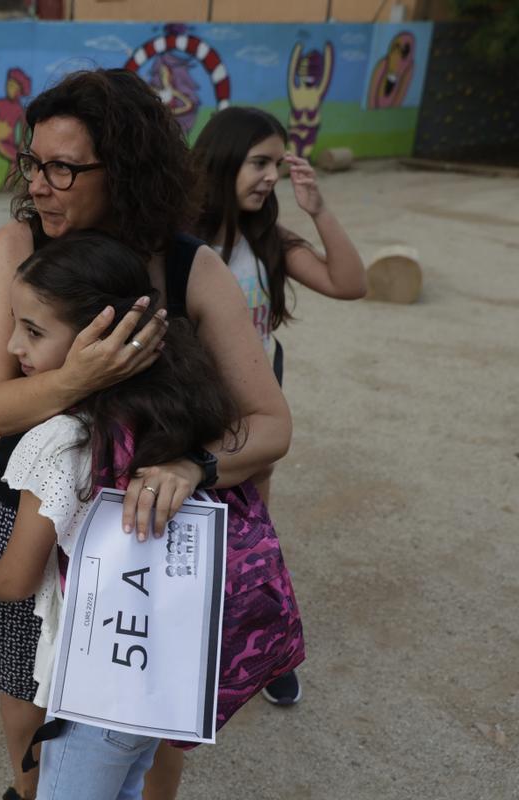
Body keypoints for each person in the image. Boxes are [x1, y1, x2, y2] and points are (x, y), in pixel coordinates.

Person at [0, 69, 292, 800]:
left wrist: (196, 466)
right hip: (31, 525)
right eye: (32, 163)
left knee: (149, 743)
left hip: (145, 543)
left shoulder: (189, 266)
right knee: (31, 740)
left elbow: (271, 426)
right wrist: (77, 379)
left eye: (64, 168)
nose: (40, 185)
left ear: (129, 170)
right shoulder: (15, 246)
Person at [0, 231, 244, 799]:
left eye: (32, 330)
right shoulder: (172, 417)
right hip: (149, 682)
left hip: (85, 689)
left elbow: (14, 578)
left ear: (102, 337)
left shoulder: (57, 440)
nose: (12, 346)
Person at [192, 106, 366, 705]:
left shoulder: (271, 240)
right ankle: (190, 648)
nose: (270, 176)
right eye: (258, 162)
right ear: (221, 161)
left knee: (251, 534)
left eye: (276, 163)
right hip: (194, 411)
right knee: (191, 530)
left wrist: (318, 209)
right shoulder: (181, 241)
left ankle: (260, 651)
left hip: (257, 410)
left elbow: (350, 282)